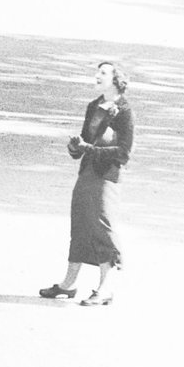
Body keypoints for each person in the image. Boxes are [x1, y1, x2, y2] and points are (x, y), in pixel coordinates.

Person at [40, 62, 135, 306]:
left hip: (106, 177)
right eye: (98, 72)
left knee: (102, 226)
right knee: (80, 222)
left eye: (103, 73)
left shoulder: (124, 111)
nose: (97, 76)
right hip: (87, 173)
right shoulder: (94, 106)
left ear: (116, 80)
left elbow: (124, 153)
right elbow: (85, 141)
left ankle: (106, 288)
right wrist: (76, 147)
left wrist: (89, 149)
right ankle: (68, 284)